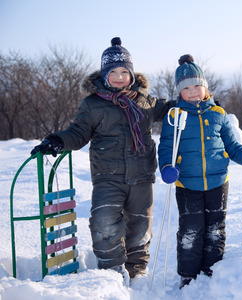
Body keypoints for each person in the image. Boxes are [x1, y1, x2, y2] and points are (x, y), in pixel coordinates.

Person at [31, 37, 174, 286]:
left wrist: (197, 101)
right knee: (104, 223)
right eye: (113, 72)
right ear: (104, 74)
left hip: (141, 177)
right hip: (108, 177)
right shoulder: (93, 104)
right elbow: (78, 133)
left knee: (140, 226)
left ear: (131, 74)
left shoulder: (145, 101)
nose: (119, 77)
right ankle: (111, 273)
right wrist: (56, 141)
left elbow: (172, 109)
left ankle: (137, 272)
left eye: (124, 72)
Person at [157, 54, 242, 289]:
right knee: (191, 230)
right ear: (179, 92)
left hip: (218, 182)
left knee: (215, 227)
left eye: (197, 86)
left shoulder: (218, 114)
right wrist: (166, 167)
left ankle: (212, 267)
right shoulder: (174, 116)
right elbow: (165, 148)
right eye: (186, 88)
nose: (193, 92)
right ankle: (188, 273)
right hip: (187, 184)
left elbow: (232, 147)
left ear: (205, 87)